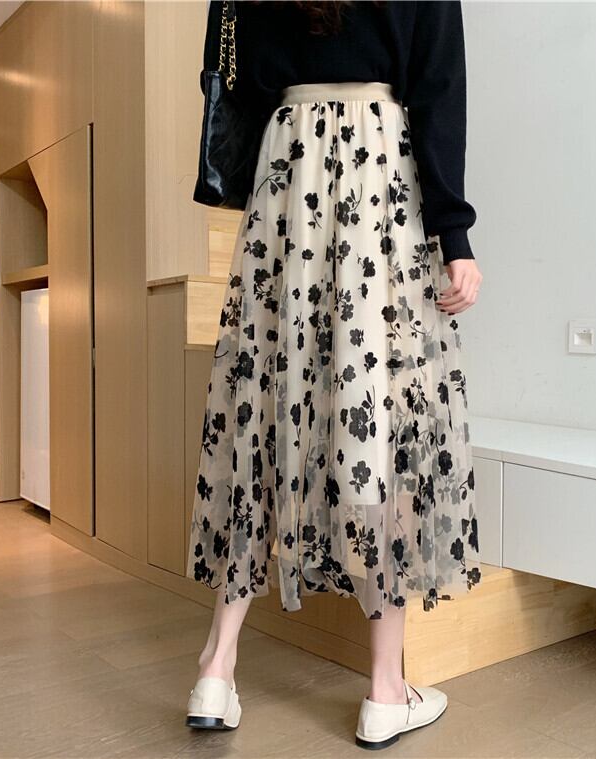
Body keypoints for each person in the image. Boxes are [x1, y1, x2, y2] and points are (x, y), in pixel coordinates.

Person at [185, 0, 484, 749]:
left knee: (261, 408)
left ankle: (215, 670)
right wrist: (454, 233)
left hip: (285, 175)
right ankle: (385, 690)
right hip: (378, 173)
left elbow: (232, 77)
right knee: (385, 414)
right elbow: (438, 87)